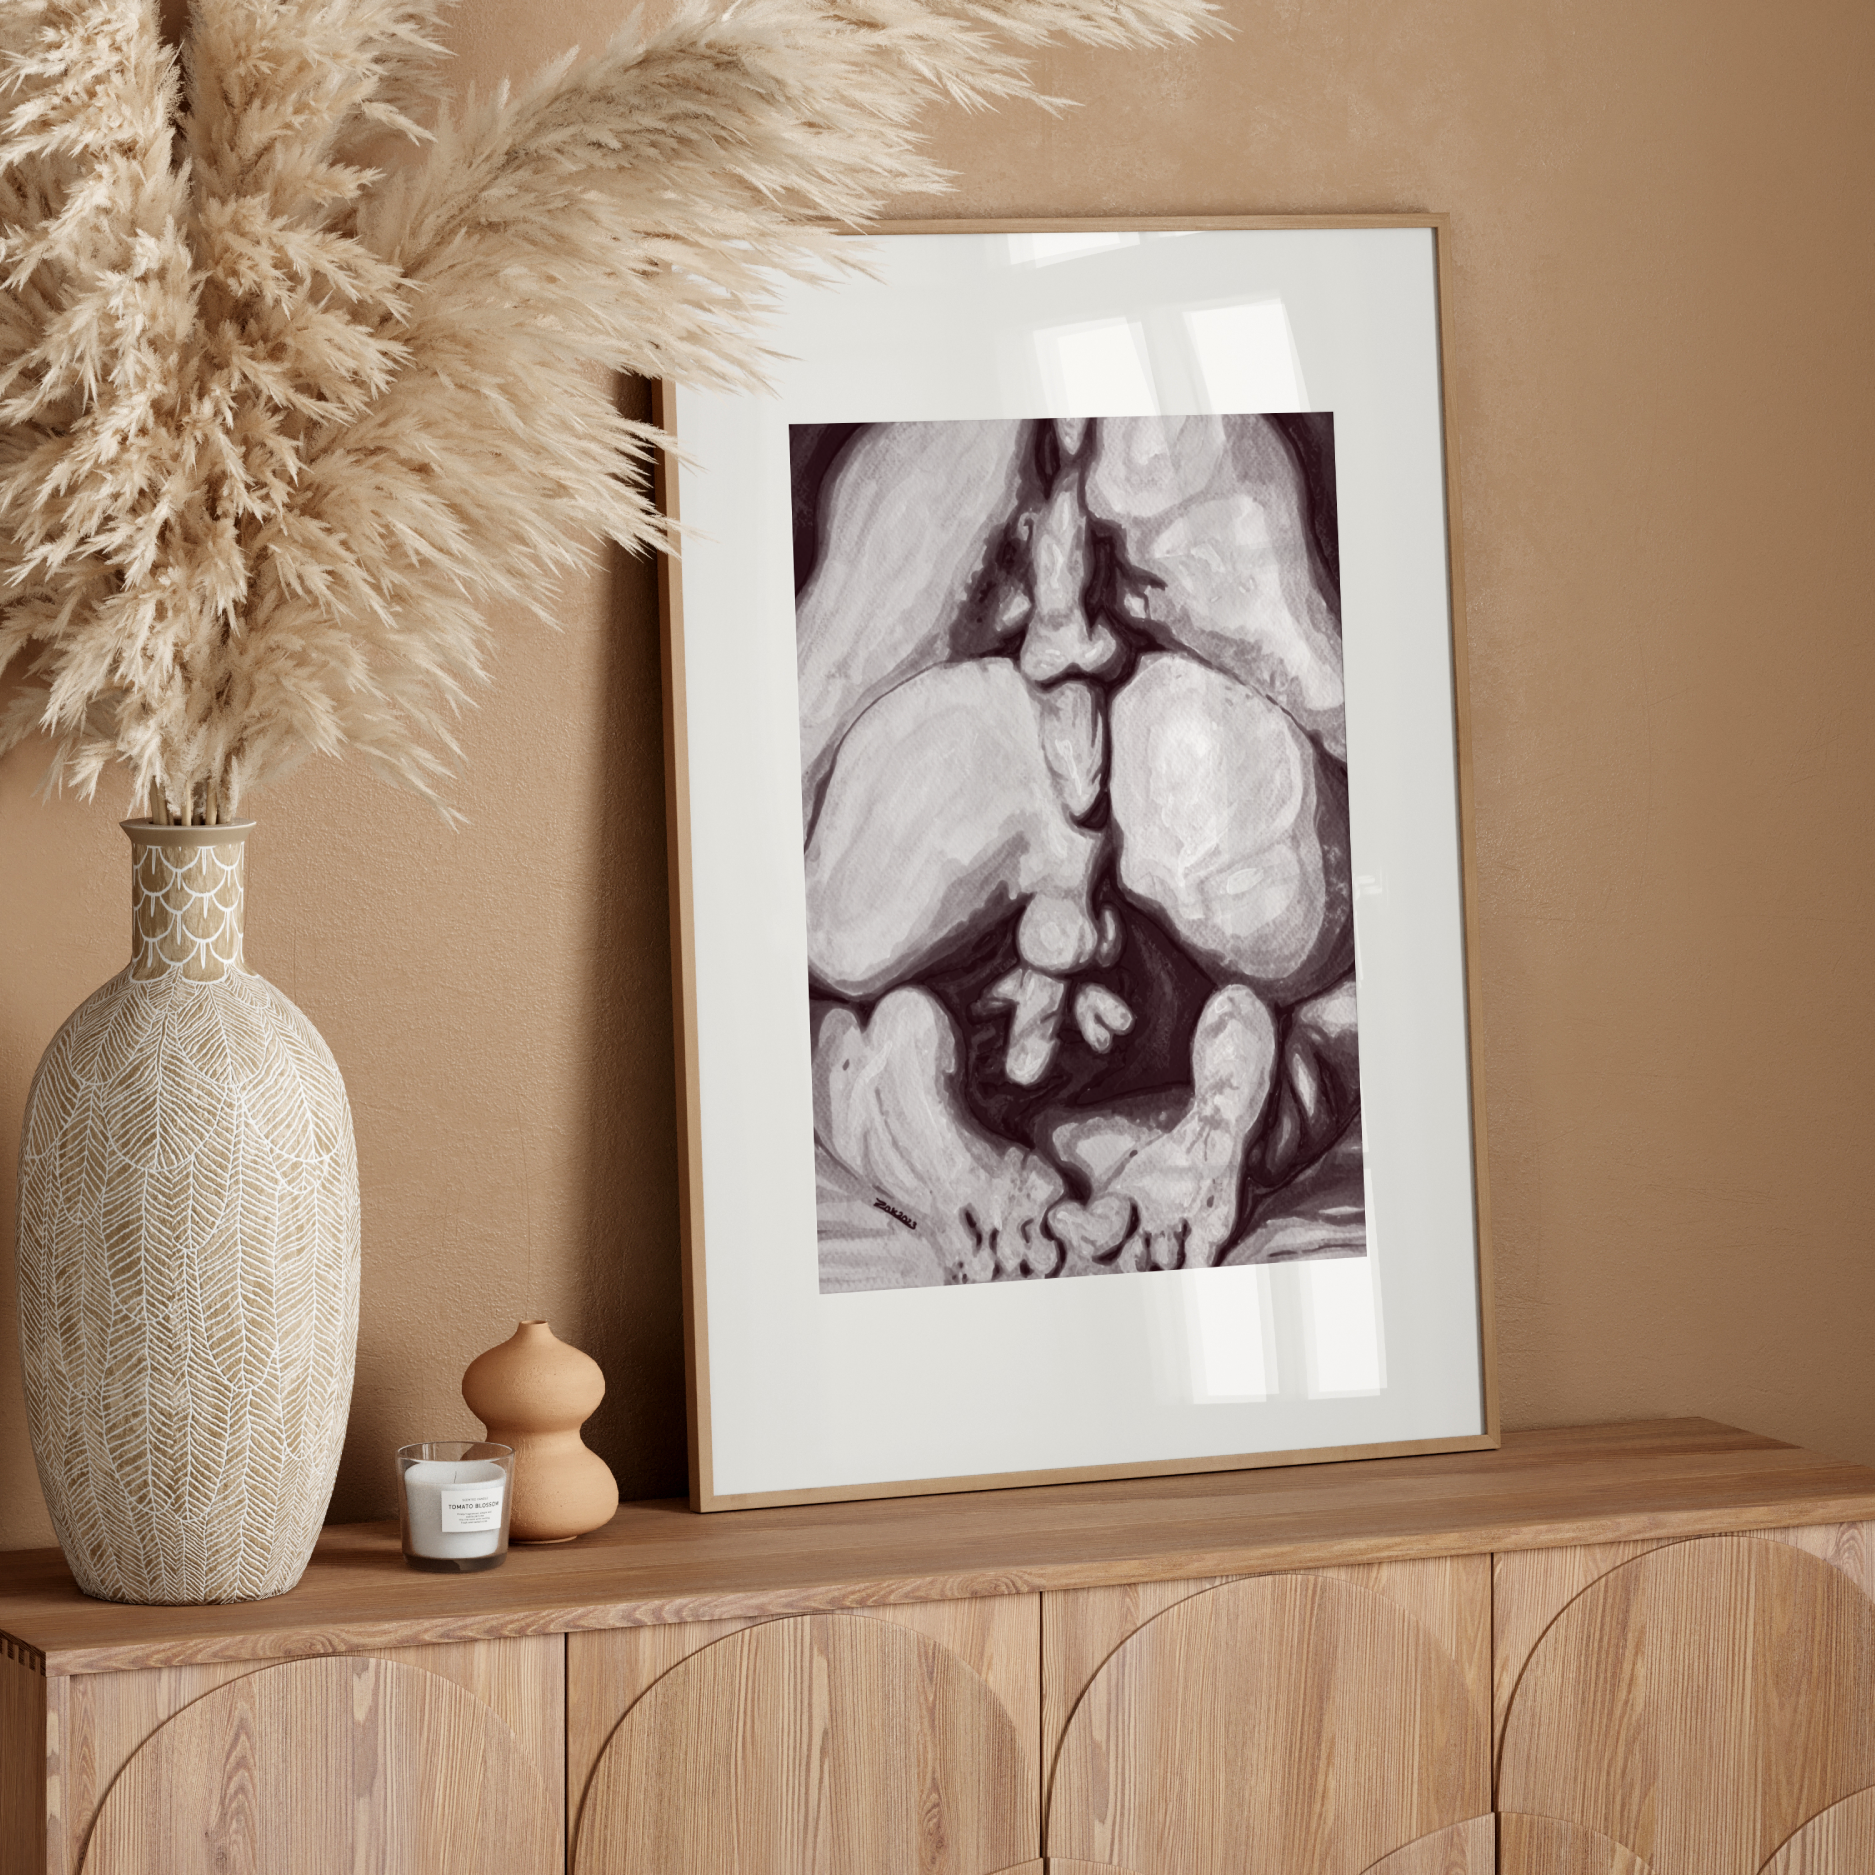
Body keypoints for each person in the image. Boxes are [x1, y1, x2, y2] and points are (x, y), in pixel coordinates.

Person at [796, 414, 1363, 1289]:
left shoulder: (931, 452)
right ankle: (1232, 1111)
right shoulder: (1181, 436)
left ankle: (934, 1155)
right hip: (1194, 766)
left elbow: (796, 743)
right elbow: (1339, 716)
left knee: (819, 893)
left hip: (949, 769)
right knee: (1316, 700)